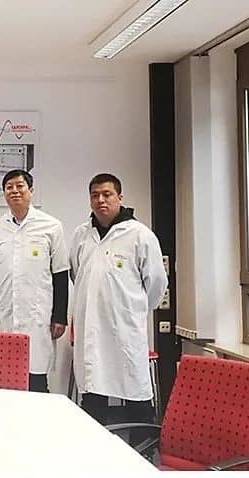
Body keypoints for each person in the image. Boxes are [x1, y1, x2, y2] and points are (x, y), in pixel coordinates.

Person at [69, 173, 168, 431]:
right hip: (91, 330)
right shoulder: (81, 235)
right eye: (95, 195)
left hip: (125, 329)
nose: (100, 200)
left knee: (135, 393)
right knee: (93, 395)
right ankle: (93, 451)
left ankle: (142, 449)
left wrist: (133, 309)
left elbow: (157, 283)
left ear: (120, 198)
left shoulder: (140, 235)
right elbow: (77, 274)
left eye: (107, 194)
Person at [0, 170, 69, 393]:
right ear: (4, 193)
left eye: (20, 186)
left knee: (36, 379)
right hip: (4, 314)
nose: (15, 191)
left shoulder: (51, 226)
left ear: (31, 191)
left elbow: (61, 274)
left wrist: (59, 316)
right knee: (5, 380)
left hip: (37, 316)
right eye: (9, 187)